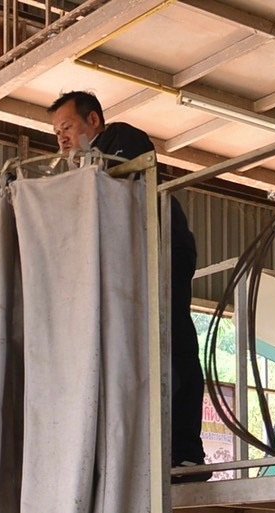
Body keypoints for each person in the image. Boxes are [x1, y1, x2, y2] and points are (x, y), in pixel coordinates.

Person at [48, 89, 205, 476]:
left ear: (94, 121)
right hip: (133, 258)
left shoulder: (120, 136)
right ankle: (153, 450)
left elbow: (124, 166)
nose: (61, 138)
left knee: (172, 341)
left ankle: (186, 453)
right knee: (141, 351)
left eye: (67, 126)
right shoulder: (79, 167)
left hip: (162, 249)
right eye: (56, 133)